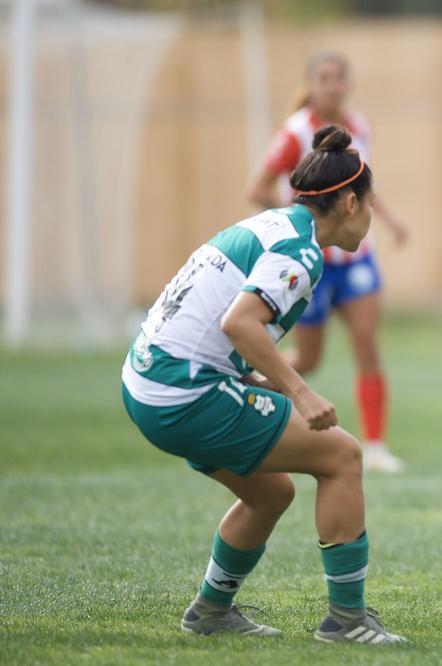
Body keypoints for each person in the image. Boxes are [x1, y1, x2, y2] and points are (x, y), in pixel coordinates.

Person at [122, 126, 405, 645]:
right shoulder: (300, 251)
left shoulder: (272, 225)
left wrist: (249, 377)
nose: (370, 216)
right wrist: (300, 392)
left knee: (271, 492)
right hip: (185, 394)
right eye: (369, 204)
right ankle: (347, 621)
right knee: (342, 456)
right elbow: (239, 323)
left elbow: (212, 320)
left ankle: (210, 610)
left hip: (147, 384)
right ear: (350, 203)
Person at [250, 50, 407, 473]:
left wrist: (390, 222)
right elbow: (258, 188)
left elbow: (361, 185)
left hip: (357, 258)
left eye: (338, 77)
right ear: (311, 84)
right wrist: (298, 222)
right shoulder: (295, 133)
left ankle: (376, 448)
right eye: (323, 78)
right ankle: (243, 396)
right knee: (308, 359)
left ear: (348, 84)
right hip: (311, 263)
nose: (332, 85)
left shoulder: (360, 127)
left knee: (368, 348)